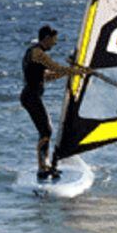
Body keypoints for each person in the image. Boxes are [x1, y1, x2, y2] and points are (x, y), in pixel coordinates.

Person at [21, 25, 88, 181]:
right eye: (54, 40)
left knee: (46, 131)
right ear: (46, 38)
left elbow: (48, 75)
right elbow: (56, 67)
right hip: (30, 97)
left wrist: (70, 72)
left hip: (31, 97)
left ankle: (44, 165)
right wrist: (79, 71)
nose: (55, 44)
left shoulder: (35, 53)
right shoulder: (37, 53)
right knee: (46, 131)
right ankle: (42, 167)